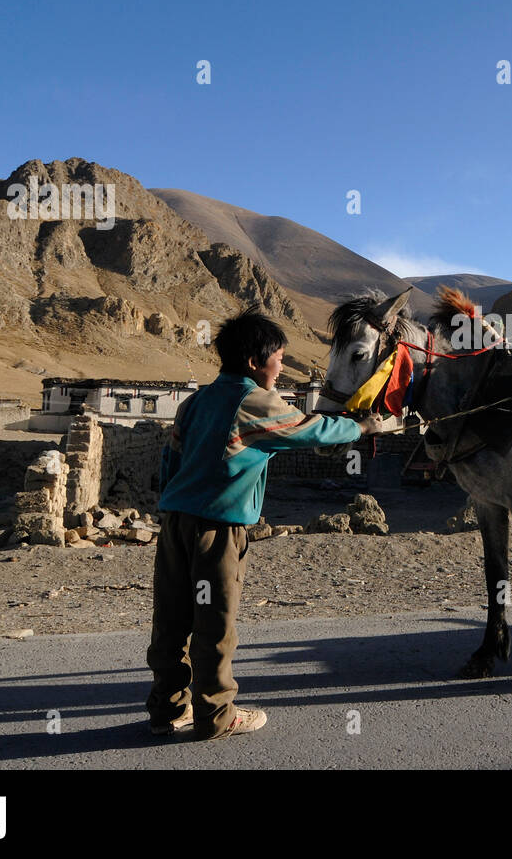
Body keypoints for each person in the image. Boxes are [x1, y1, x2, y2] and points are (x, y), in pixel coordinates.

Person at [146, 307, 383, 740]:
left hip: (175, 522)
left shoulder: (195, 402)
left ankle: (167, 708)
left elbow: (170, 460)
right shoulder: (253, 400)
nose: (282, 367)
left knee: (171, 620)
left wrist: (172, 507)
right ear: (255, 361)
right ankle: (216, 715)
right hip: (216, 530)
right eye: (279, 357)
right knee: (215, 625)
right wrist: (361, 426)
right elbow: (310, 428)